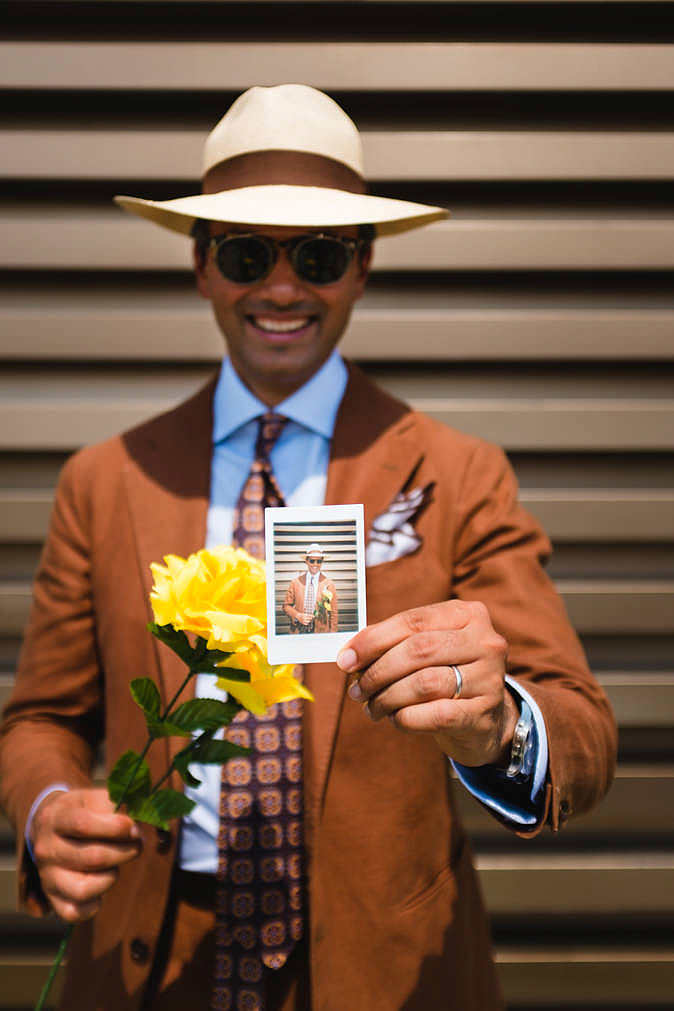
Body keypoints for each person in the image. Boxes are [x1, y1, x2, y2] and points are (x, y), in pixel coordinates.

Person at [0, 85, 617, 1011]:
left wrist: (498, 726)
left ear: (362, 266)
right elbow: (42, 716)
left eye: (318, 255)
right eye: (247, 253)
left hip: (385, 968)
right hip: (150, 959)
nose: (282, 289)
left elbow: (581, 727)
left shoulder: (459, 472)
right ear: (201, 265)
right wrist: (49, 806)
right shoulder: (104, 480)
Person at [283, 544, 338, 634]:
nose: (315, 564)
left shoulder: (329, 584)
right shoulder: (296, 582)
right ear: (306, 561)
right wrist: (297, 616)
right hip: (299, 631)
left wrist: (333, 635)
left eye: (318, 561)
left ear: (322, 562)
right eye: (312, 561)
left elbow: (333, 613)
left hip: (320, 632)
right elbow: (286, 606)